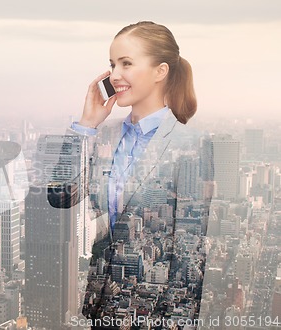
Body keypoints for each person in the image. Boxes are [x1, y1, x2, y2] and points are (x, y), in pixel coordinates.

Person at [69, 21, 211, 327]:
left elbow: (192, 248)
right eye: (112, 64)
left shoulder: (189, 143)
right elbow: (60, 195)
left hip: (154, 314)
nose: (115, 75)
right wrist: (85, 125)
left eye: (127, 63)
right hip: (102, 306)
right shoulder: (103, 134)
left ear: (160, 72)